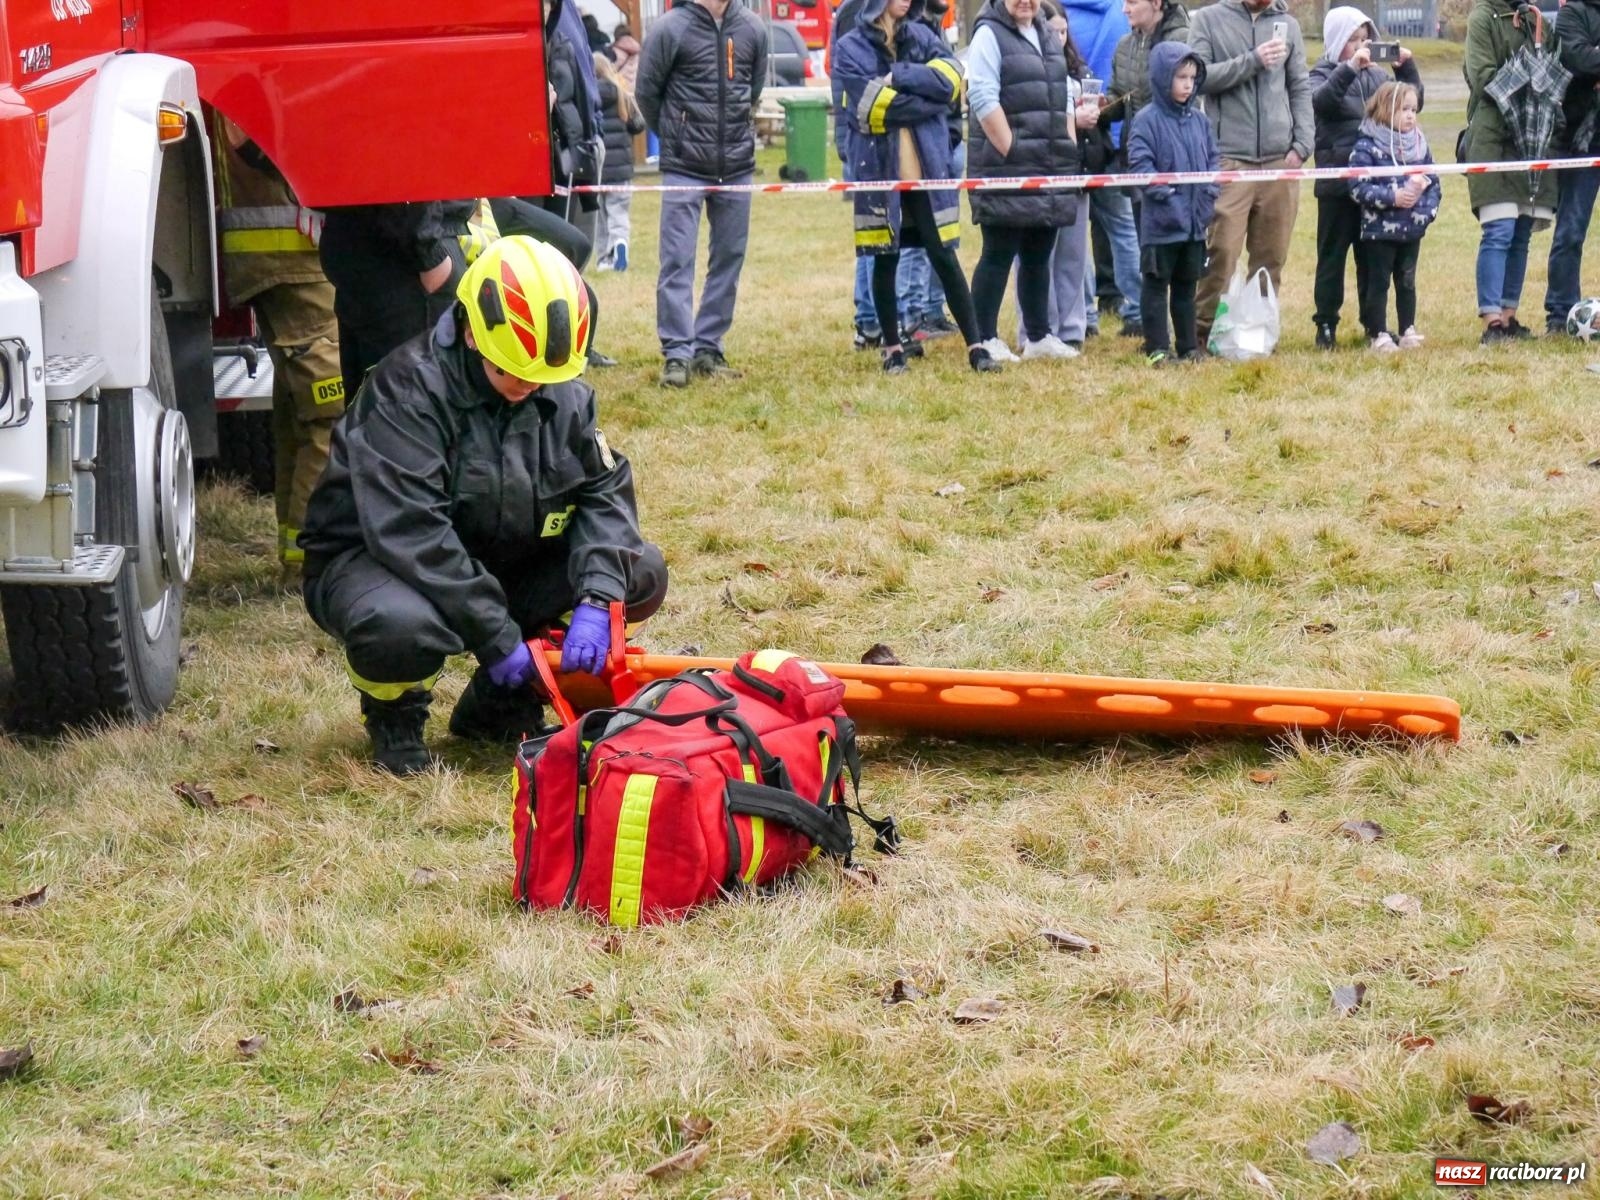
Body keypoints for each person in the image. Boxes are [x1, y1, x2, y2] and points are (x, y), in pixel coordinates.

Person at [299, 237, 668, 775]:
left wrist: (597, 596)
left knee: (638, 572)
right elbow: (413, 531)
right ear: (473, 334)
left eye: (542, 376)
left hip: (495, 550)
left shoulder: (555, 385)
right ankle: (395, 718)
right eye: (513, 372)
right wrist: (497, 636)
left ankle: (502, 707)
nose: (528, 386)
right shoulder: (408, 393)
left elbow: (603, 490)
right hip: (378, 560)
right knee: (398, 624)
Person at [212, 116, 345, 586]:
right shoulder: (251, 77)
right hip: (296, 254)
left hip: (287, 254)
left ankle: (298, 556)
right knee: (329, 415)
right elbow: (249, 138)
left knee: (299, 413)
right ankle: (314, 565)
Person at [835, 0, 1001, 373]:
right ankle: (892, 350)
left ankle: (976, 347)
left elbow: (952, 80)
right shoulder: (850, 47)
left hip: (927, 169)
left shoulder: (924, 35)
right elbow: (868, 109)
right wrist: (929, 102)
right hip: (880, 169)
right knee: (885, 256)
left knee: (944, 255)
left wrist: (900, 76)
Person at [635, 0, 769, 388]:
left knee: (729, 257)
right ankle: (677, 353)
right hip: (683, 167)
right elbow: (647, 94)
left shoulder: (753, 30)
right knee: (676, 259)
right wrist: (677, 135)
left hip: (737, 165)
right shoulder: (669, 29)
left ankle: (708, 347)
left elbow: (753, 89)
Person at [966, 0, 1097, 363]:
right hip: (1006, 167)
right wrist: (1011, 149)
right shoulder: (988, 34)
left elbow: (1063, 93)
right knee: (998, 253)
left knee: (1039, 253)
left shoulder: (1045, 31)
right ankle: (985, 338)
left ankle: (1039, 336)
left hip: (1050, 165)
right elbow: (980, 95)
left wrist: (1066, 143)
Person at [1189, 0, 1313, 348]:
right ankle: (1201, 333)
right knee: (1222, 254)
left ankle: (1259, 333)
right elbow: (1199, 78)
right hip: (1230, 160)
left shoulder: (1288, 23)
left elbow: (1300, 86)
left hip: (1280, 162)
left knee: (1271, 257)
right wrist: (1253, 60)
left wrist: (1303, 143)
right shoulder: (1209, 21)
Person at [1309, 7, 1423, 348]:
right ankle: (1326, 324)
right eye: (1353, 40)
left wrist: (1406, 67)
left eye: (1365, 39)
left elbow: (1411, 103)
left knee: (1370, 259)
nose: (1361, 47)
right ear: (1336, 42)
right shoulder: (1321, 73)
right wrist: (1348, 69)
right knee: (1332, 257)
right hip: (1336, 184)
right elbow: (1322, 103)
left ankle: (1372, 324)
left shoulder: (1377, 78)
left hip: (1373, 186)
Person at [1464, 0, 1558, 343]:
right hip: (1494, 138)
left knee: (1521, 232)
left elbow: (1553, 66)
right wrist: (1532, 75)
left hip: (1534, 137)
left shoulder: (1536, 19)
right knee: (1499, 230)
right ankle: (1491, 321)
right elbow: (1483, 76)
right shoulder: (1481, 17)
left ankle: (1509, 315)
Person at [318, 200, 475, 391]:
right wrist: (428, 252)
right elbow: (406, 174)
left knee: (370, 405)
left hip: (361, 237)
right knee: (415, 403)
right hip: (408, 253)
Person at [1126, 43, 1219, 364]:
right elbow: (1140, 165)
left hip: (1195, 224)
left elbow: (1212, 161)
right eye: (1181, 77)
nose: (1187, 84)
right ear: (1164, 77)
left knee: (1185, 288)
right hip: (1161, 224)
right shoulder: (1146, 120)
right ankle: (1157, 349)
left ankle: (1188, 346)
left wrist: (1209, 193)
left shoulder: (1200, 121)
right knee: (1155, 288)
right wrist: (1166, 196)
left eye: (1192, 77)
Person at [1063, 0, 1142, 338]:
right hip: (1109, 137)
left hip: (1072, 138)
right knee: (1124, 231)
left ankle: (1086, 316)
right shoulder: (1121, 12)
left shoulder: (1050, 15)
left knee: (1075, 233)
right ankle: (1137, 310)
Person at [1348, 81, 1440, 351]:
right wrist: (1393, 198)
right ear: (1386, 109)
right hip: (1379, 232)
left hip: (1412, 229)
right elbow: (1357, 187)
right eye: (1403, 109)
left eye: (1413, 109)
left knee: (1407, 280)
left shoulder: (1421, 146)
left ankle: (1407, 328)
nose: (1411, 115)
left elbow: (1433, 183)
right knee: (1379, 281)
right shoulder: (1366, 145)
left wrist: (1425, 213)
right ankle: (1378, 333)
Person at [894, 0, 965, 342]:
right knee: (909, 241)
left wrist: (948, 131)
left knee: (942, 238)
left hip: (943, 144)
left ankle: (934, 311)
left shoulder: (931, 27)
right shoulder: (899, 29)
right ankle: (910, 315)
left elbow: (950, 83)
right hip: (909, 150)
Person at [1544, 0, 1600, 333]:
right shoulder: (1571, 14)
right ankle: (1559, 312)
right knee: (1571, 231)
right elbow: (1578, 59)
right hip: (1583, 140)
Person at [594, 53, 646, 272]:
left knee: (600, 216)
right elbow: (638, 125)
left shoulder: (588, 96)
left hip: (598, 167)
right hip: (621, 168)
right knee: (619, 211)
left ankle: (604, 258)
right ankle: (620, 244)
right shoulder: (622, 94)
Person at [611, 22, 643, 87]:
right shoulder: (638, 49)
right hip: (636, 88)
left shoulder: (614, 51)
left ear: (616, 35)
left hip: (622, 90)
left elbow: (611, 71)